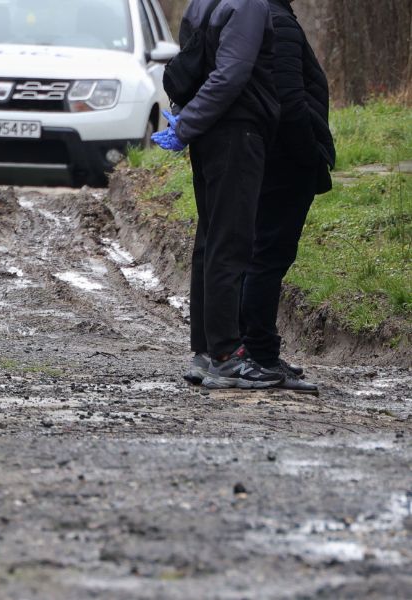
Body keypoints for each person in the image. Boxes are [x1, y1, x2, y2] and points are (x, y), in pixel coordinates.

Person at [153, 0, 283, 389]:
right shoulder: (249, 6)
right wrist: (187, 125)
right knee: (230, 243)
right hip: (235, 133)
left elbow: (192, 67)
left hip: (209, 135)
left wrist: (188, 124)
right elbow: (230, 75)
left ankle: (206, 352)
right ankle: (227, 355)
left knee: (209, 242)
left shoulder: (204, 4)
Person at [240, 0, 335, 394]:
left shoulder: (265, 15)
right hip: (285, 159)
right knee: (270, 256)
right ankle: (259, 355)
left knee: (262, 254)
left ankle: (253, 350)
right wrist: (308, 152)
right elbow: (289, 99)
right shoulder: (276, 20)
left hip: (269, 154)